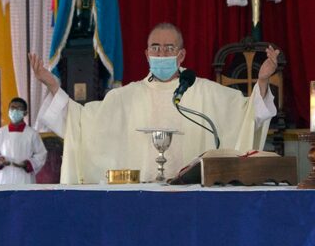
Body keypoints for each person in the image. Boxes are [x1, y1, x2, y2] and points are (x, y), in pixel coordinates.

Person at [29, 23, 278, 184]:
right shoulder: (124, 98)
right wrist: (53, 87)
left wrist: (263, 81)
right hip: (140, 201)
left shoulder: (205, 92)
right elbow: (81, 123)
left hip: (191, 200)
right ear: (146, 54)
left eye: (169, 48)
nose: (161, 54)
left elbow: (247, 114)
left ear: (181, 55)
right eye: (155, 48)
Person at [0, 97, 47, 184]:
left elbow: (41, 154)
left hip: (25, 177)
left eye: (19, 108)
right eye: (12, 108)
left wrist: (29, 164)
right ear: (8, 111)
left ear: (25, 113)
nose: (15, 111)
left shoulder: (32, 134)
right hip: (4, 177)